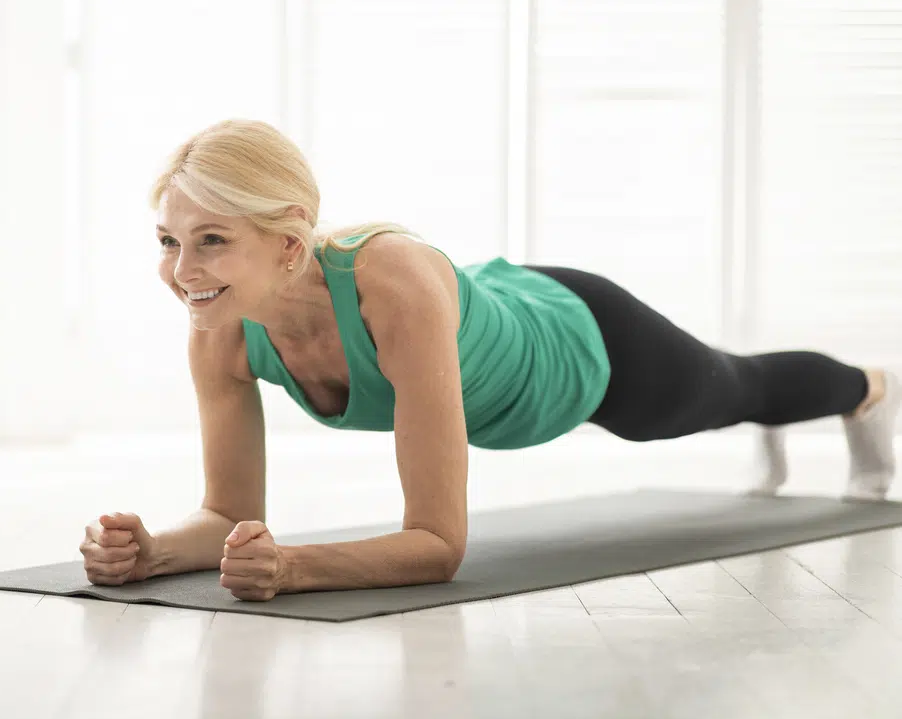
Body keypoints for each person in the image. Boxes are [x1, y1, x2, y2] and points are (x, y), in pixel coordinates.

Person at [78, 118, 900, 602]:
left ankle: (869, 391)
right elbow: (225, 515)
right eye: (168, 242)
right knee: (738, 394)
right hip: (485, 307)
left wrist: (292, 567)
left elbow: (437, 545)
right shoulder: (218, 325)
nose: (181, 272)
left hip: (581, 344)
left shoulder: (391, 285)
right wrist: (155, 553)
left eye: (211, 241)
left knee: (735, 389)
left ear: (290, 243)